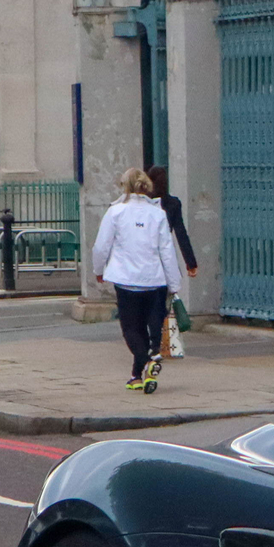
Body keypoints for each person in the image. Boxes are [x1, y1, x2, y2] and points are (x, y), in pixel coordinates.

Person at [91, 168, 185, 393]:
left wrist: (98, 269)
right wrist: (174, 284)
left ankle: (148, 358)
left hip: (126, 280)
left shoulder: (116, 212)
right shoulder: (158, 213)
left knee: (131, 329)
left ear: (125, 186)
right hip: (154, 281)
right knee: (152, 326)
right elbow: (167, 251)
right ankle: (138, 374)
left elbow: (101, 246)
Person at [147, 165, 197, 358]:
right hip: (165, 257)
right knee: (163, 301)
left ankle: (152, 340)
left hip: (146, 257)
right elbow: (181, 233)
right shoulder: (173, 203)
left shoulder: (146, 205)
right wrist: (190, 262)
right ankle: (162, 340)